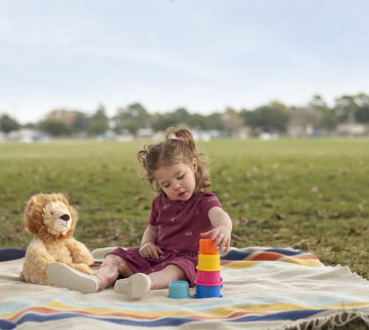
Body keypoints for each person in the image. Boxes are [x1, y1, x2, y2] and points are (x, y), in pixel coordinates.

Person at [47, 125, 233, 299]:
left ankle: (144, 283)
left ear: (193, 166)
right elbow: (152, 229)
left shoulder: (204, 201)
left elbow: (219, 215)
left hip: (189, 261)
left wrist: (224, 228)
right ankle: (98, 280)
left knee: (175, 270)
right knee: (115, 256)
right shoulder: (160, 202)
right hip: (158, 256)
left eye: (180, 176)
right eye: (166, 184)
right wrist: (146, 245)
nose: (176, 186)